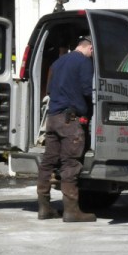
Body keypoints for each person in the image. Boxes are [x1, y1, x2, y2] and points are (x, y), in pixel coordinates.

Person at [36, 35, 96, 222]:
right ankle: (71, 211)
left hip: (53, 118)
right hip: (70, 120)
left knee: (48, 162)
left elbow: (50, 90)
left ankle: (44, 208)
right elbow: (88, 90)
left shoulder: (58, 62)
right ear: (90, 48)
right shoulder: (84, 62)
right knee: (70, 164)